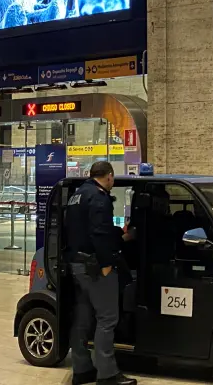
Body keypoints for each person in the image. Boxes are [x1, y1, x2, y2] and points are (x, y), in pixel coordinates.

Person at [64, 161, 137, 385]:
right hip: (96, 267)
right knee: (107, 318)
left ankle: (82, 369)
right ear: (109, 176)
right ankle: (107, 374)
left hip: (77, 265)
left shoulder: (77, 195)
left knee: (83, 319)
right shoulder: (99, 197)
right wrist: (107, 264)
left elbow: (78, 229)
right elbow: (99, 233)